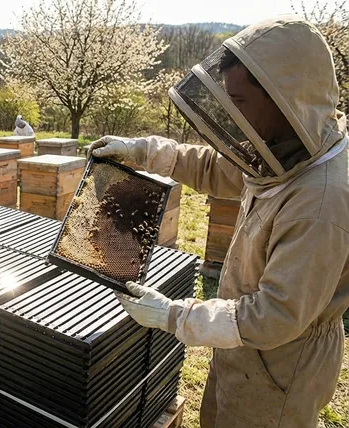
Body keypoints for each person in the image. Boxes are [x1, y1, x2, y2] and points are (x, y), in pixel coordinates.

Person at [90, 16, 348, 428]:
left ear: (285, 99)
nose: (231, 113)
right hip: (244, 348)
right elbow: (217, 166)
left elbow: (275, 315)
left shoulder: (321, 202)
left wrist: (175, 315)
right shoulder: (284, 147)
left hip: (282, 365)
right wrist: (141, 149)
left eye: (239, 102)